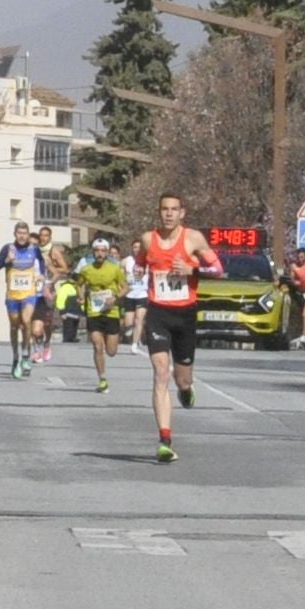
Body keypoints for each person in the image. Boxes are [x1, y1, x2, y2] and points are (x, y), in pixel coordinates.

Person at [133, 192, 217, 460]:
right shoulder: (148, 239)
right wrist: (138, 271)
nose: (169, 214)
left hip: (185, 316)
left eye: (174, 209)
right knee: (160, 372)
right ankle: (165, 440)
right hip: (158, 313)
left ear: (182, 212)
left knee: (182, 379)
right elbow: (140, 263)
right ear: (159, 212)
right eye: (164, 209)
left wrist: (192, 270)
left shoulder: (193, 239)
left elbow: (218, 269)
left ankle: (186, 389)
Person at [0, 226, 49, 376]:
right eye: (19, 233)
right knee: (14, 327)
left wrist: (42, 275)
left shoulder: (34, 249)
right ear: (15, 234)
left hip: (28, 294)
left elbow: (42, 263)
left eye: (24, 233)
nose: (22, 236)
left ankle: (25, 353)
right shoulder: (8, 248)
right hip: (12, 295)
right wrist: (7, 260)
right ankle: (15, 357)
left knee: (26, 321)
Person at [77, 237, 129, 392]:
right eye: (97, 250)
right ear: (93, 252)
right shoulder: (86, 269)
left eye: (102, 251)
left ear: (107, 253)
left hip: (111, 312)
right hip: (94, 312)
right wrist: (80, 296)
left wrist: (115, 298)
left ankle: (114, 340)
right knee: (97, 346)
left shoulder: (114, 269)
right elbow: (79, 284)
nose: (99, 253)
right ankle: (102, 379)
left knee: (111, 351)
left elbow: (125, 287)